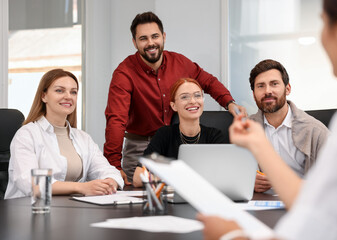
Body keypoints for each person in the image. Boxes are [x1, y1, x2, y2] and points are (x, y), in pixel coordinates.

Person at [198, 0, 337, 239]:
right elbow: (318, 207)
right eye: (260, 86)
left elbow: (320, 219)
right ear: (253, 93)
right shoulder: (248, 128)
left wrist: (231, 236)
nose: (322, 39)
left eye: (324, 24)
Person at [104, 11, 246, 185]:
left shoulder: (180, 62)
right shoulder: (124, 73)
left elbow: (208, 81)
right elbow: (116, 120)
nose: (151, 43)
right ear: (134, 42)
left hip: (175, 143)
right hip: (141, 146)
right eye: (143, 38)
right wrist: (113, 166)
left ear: (163, 37)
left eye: (155, 36)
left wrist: (229, 102)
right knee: (137, 200)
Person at [5, 69, 124, 199]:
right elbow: (31, 183)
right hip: (29, 210)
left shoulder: (83, 138)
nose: (68, 96)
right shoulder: (27, 134)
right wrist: (81, 187)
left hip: (69, 210)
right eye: (59, 90)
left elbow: (109, 171)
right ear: (43, 96)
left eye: (73, 92)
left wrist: (110, 182)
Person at [248, 59, 329, 193]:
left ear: (287, 89)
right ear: (253, 94)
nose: (268, 91)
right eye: (261, 86)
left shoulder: (315, 131)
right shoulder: (245, 129)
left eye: (274, 84)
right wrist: (248, 181)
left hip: (304, 203)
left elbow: (334, 180)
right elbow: (234, 175)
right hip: (260, 206)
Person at [132, 78, 227, 187]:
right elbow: (138, 177)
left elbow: (224, 176)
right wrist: (173, 179)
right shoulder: (164, 134)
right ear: (174, 106)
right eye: (184, 97)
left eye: (197, 95)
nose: (192, 101)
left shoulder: (215, 136)